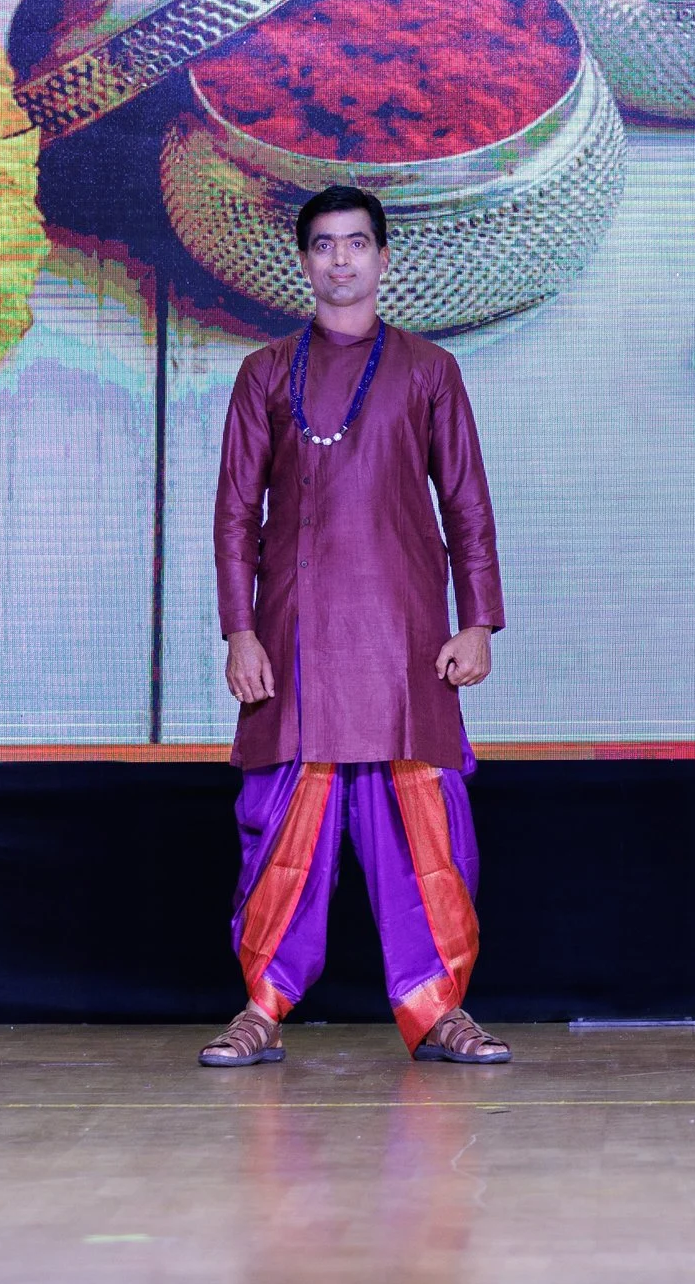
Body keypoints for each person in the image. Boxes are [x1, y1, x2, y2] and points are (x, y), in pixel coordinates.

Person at [198, 185, 511, 1068]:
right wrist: (240, 631)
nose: (341, 260)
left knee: (427, 838)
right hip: (294, 642)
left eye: (357, 244)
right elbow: (233, 516)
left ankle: (441, 1008)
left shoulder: (428, 369)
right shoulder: (264, 372)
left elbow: (467, 506)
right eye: (324, 245)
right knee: (280, 831)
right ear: (303, 262)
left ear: (382, 258)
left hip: (408, 642)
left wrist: (478, 619)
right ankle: (259, 1007)